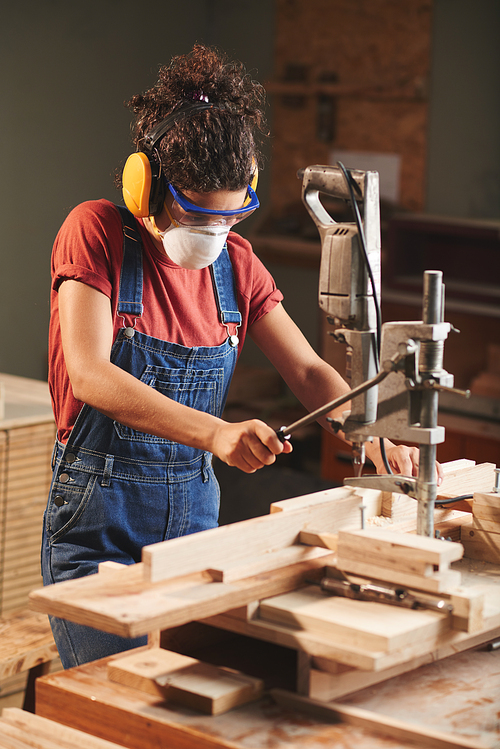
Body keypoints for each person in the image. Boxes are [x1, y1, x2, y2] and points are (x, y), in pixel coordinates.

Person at [42, 44, 440, 669]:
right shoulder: (96, 234)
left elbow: (308, 371)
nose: (214, 236)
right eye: (199, 215)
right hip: (101, 526)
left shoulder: (238, 265)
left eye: (229, 219)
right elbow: (91, 374)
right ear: (146, 186)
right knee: (115, 695)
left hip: (195, 525)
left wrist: (373, 426)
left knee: (191, 700)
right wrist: (217, 433)